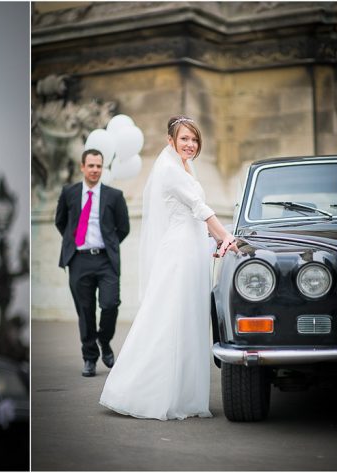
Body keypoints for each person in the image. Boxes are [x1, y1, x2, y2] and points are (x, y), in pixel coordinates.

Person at [99, 116, 237, 420]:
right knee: (170, 318)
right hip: (178, 253)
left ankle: (183, 395)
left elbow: (196, 216)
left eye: (194, 139)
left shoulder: (185, 167)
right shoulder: (169, 169)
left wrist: (215, 240)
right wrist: (225, 235)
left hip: (192, 249)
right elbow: (199, 209)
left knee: (188, 319)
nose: (190, 145)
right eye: (184, 139)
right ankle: (145, 392)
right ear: (170, 141)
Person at [55, 149, 131, 377]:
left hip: (105, 260)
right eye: (91, 166)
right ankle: (89, 358)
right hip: (79, 260)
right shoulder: (68, 193)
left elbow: (123, 227)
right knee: (85, 312)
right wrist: (73, 243)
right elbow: (61, 222)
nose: (95, 170)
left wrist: (109, 245)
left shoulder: (114, 196)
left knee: (110, 304)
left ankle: (104, 341)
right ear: (82, 167)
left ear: (103, 168)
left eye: (99, 166)